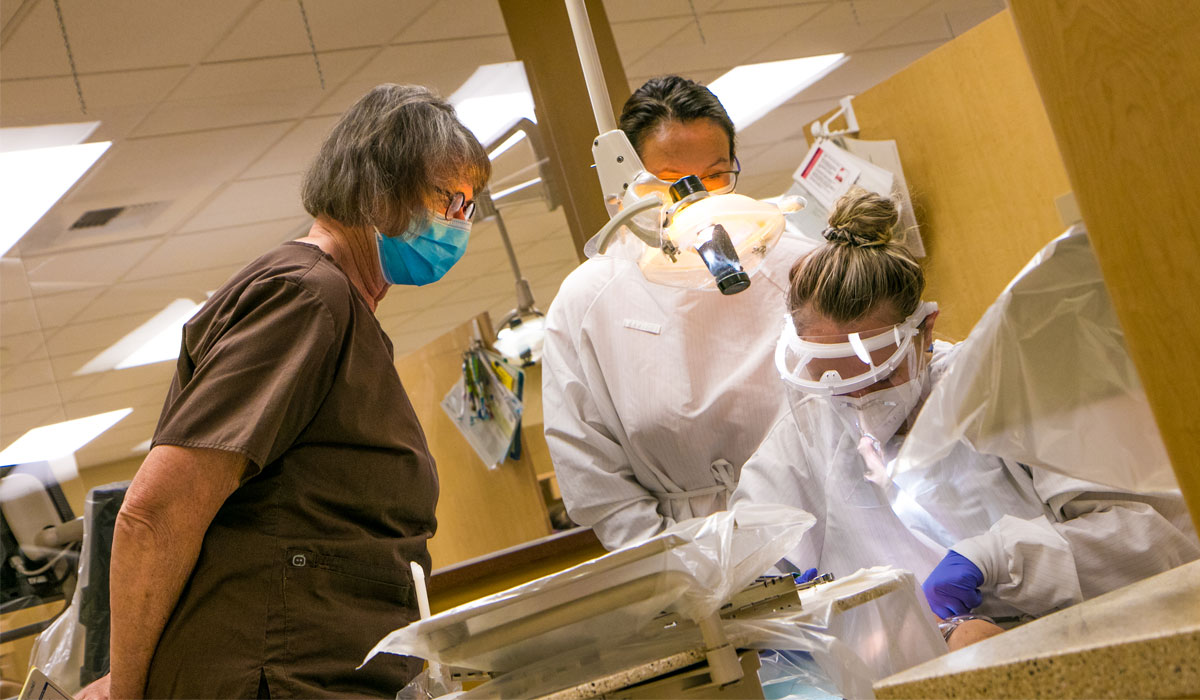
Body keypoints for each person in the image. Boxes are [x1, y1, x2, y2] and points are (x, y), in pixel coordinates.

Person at [78, 84, 490, 699]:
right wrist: (124, 690)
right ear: (377, 187)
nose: (457, 221)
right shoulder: (304, 297)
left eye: (468, 205)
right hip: (270, 676)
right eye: (445, 198)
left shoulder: (345, 312)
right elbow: (155, 512)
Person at [731, 187, 1199, 645]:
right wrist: (780, 607)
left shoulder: (1008, 384)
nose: (858, 401)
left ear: (924, 333)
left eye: (877, 380)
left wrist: (996, 559)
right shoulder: (804, 436)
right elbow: (744, 568)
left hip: (1093, 645)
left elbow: (1157, 537)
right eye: (834, 382)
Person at [541, 76, 820, 550]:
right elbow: (594, 478)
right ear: (627, 188)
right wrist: (694, 573)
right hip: (687, 550)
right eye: (673, 182)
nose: (699, 199)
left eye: (716, 176)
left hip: (822, 515)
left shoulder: (799, 264)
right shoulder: (587, 301)